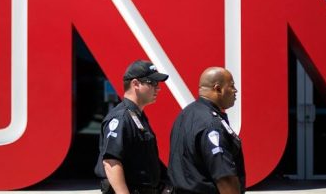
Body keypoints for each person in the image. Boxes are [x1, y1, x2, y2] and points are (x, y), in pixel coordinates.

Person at [95, 60, 169, 194]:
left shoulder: (136, 115)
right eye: (152, 83)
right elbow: (111, 163)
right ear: (135, 84)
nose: (158, 88)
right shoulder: (121, 118)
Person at [168, 67, 245, 194]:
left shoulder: (185, 114)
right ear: (218, 89)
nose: (235, 90)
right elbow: (224, 176)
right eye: (231, 86)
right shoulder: (212, 124)